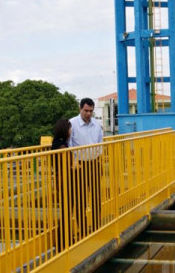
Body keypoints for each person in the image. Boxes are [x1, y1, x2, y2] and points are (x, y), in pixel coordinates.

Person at [68, 98, 104, 233]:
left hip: (94, 162)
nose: (88, 114)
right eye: (86, 111)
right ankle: (82, 229)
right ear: (80, 109)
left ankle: (96, 226)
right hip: (79, 166)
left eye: (90, 111)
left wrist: (99, 160)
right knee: (80, 198)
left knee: (96, 196)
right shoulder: (72, 124)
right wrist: (73, 160)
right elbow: (69, 144)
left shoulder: (97, 124)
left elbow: (100, 142)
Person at [50, 118, 72, 251]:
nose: (71, 131)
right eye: (69, 129)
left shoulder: (58, 141)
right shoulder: (61, 145)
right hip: (63, 179)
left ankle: (64, 241)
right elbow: (68, 162)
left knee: (67, 210)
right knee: (66, 211)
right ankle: (62, 243)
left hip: (62, 179)